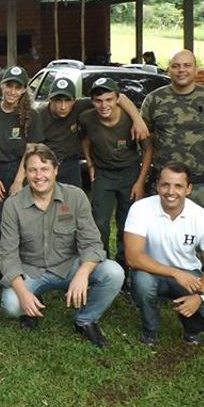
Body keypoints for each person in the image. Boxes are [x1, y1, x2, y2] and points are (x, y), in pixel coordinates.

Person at [0, 145, 124, 348]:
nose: (39, 176)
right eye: (32, 170)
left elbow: (92, 242)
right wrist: (23, 293)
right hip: (32, 269)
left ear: (56, 170)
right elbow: (7, 255)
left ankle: (85, 320)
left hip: (70, 266)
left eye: (45, 169)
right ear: (26, 173)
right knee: (12, 304)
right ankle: (31, 304)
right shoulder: (13, 205)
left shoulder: (76, 197)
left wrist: (83, 273)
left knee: (114, 272)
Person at [125, 162, 204, 346]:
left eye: (178, 186)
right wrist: (175, 273)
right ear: (157, 185)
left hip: (189, 275)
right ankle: (150, 329)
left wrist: (199, 297)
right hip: (151, 271)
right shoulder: (140, 209)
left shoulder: (203, 218)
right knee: (143, 282)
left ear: (189, 189)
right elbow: (133, 257)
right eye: (165, 185)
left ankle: (190, 324)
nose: (171, 191)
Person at [140, 49, 204, 213]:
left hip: (200, 185)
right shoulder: (154, 99)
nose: (181, 70)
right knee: (162, 234)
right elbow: (145, 133)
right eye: (175, 66)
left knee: (199, 234)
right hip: (165, 184)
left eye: (187, 65)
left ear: (196, 69)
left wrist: (202, 149)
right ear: (168, 70)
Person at [79, 77, 151, 274]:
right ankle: (103, 268)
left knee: (127, 222)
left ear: (118, 99)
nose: (104, 105)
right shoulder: (87, 117)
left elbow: (147, 150)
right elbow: (85, 140)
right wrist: (90, 163)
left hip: (129, 173)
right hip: (103, 174)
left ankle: (125, 267)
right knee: (99, 222)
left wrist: (140, 182)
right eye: (98, 100)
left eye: (109, 99)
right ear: (92, 101)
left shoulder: (131, 120)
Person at [31, 76, 147, 188]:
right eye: (57, 101)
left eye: (68, 100)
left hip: (70, 163)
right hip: (45, 163)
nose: (63, 106)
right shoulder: (39, 115)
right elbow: (31, 147)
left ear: (74, 100)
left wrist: (138, 120)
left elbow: (119, 97)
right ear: (50, 99)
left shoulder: (82, 106)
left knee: (72, 202)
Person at [0, 66, 37, 276]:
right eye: (9, 85)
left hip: (22, 172)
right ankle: (4, 269)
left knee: (22, 224)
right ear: (2, 85)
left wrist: (18, 181)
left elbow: (31, 149)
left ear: (23, 89)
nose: (12, 91)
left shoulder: (31, 115)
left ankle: (24, 269)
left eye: (18, 87)